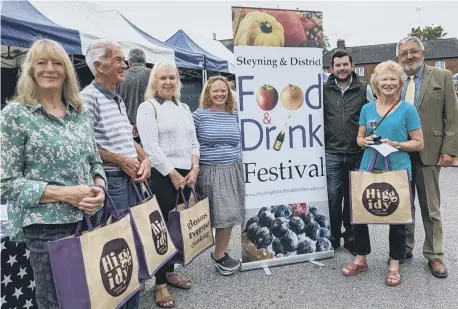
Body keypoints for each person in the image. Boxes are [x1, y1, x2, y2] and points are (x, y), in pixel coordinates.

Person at [0, 39, 107, 309]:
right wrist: (67, 194)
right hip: (46, 230)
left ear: (67, 71)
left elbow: (95, 162)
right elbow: (5, 183)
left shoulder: (79, 114)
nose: (50, 69)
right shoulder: (15, 115)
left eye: (57, 63)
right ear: (30, 70)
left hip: (88, 221)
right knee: (56, 303)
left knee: (91, 297)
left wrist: (100, 189)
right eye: (42, 62)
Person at [80, 39, 151, 309]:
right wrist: (121, 161)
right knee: (118, 252)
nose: (125, 65)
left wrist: (145, 159)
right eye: (118, 60)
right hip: (113, 184)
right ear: (99, 66)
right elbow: (84, 147)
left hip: (130, 181)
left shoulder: (117, 97)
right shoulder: (88, 98)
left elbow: (125, 138)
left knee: (133, 246)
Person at [343, 60, 424, 286]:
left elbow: (419, 143)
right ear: (376, 82)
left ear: (399, 83)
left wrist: (396, 144)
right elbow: (359, 139)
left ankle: (395, 263)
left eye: (392, 79)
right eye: (384, 79)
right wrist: (364, 140)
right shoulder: (367, 108)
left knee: (397, 219)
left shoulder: (408, 110)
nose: (388, 83)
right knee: (359, 215)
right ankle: (361, 258)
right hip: (369, 167)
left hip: (397, 169)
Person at [136, 62, 199, 308]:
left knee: (176, 227)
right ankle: (159, 283)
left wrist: (194, 168)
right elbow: (150, 146)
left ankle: (170, 271)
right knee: (160, 229)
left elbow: (194, 141)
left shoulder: (183, 107)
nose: (168, 82)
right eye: (163, 78)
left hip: (186, 173)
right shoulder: (148, 107)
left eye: (172, 78)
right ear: (154, 82)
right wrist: (172, 173)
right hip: (163, 175)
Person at [397, 36, 458, 278]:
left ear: (423, 53)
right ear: (398, 57)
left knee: (430, 208)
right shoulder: (395, 79)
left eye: (413, 52)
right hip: (400, 152)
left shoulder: (441, 77)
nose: (409, 57)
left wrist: (450, 150)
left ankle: (435, 255)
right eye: (404, 53)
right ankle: (404, 247)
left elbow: (452, 117)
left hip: (430, 151)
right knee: (403, 205)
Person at [323, 50, 374, 254]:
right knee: (334, 197)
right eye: (338, 65)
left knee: (354, 198)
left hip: (357, 152)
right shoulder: (323, 90)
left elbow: (373, 115)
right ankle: (333, 236)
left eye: (345, 64)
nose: (342, 68)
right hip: (332, 151)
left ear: (352, 66)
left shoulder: (364, 89)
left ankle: (352, 237)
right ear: (331, 69)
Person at [193, 76, 244, 275]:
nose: (220, 94)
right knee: (222, 214)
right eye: (215, 91)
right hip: (211, 170)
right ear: (208, 93)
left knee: (230, 214)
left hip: (233, 169)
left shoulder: (235, 114)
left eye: (223, 90)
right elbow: (191, 143)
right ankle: (219, 255)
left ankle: (221, 250)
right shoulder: (199, 115)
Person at [117, 48, 152, 142]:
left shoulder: (120, 76)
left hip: (126, 126)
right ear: (144, 61)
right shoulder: (153, 74)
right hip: (150, 125)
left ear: (129, 62)